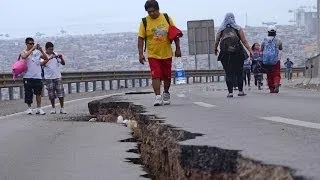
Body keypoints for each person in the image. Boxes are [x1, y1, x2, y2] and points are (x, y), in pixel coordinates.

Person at [137, 0, 181, 106]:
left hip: (166, 53)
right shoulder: (144, 22)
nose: (151, 14)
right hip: (153, 54)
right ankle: (157, 96)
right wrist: (140, 53)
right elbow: (140, 38)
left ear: (158, 9)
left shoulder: (166, 18)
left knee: (167, 76)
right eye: (149, 12)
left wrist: (178, 49)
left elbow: (174, 34)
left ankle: (166, 93)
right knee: (155, 75)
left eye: (153, 11)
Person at [214, 13, 253, 98]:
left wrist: (215, 49)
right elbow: (244, 41)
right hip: (237, 53)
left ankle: (230, 92)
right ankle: (240, 91)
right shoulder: (238, 28)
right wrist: (250, 51)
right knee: (239, 72)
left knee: (228, 73)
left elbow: (217, 41)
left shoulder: (221, 29)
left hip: (225, 54)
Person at [20, 37, 48, 115]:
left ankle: (39, 108)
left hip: (37, 76)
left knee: (38, 93)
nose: (32, 45)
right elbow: (24, 56)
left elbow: (46, 58)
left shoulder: (37, 53)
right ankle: (29, 108)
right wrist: (32, 49)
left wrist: (41, 50)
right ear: (26, 44)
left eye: (33, 43)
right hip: (27, 76)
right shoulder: (24, 52)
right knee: (28, 93)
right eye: (30, 44)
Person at [41, 42, 67, 114]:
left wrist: (61, 57)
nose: (51, 51)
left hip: (57, 76)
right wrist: (49, 58)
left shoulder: (55, 54)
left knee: (60, 93)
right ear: (46, 49)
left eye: (52, 49)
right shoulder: (43, 56)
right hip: (49, 77)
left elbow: (63, 63)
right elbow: (41, 64)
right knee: (51, 94)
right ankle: (53, 108)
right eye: (50, 49)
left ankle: (62, 108)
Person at [261, 26, 283, 93]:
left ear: (268, 32)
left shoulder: (264, 40)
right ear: (275, 32)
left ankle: (271, 88)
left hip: (266, 60)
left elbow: (261, 49)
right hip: (276, 60)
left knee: (269, 74)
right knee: (276, 73)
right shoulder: (278, 40)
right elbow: (281, 48)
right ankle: (276, 83)